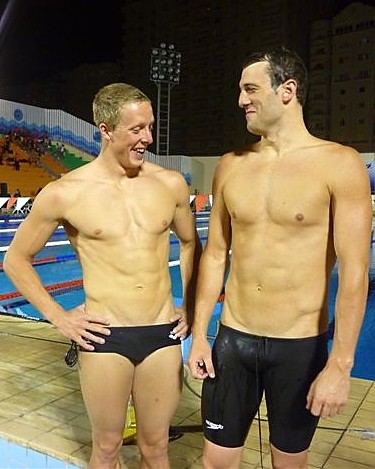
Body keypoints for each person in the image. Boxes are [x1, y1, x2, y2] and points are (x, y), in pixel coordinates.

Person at [188, 47, 372, 469]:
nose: (241, 100)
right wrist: (200, 334)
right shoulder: (230, 165)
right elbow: (215, 255)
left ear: (287, 91)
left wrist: (340, 367)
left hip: (299, 348)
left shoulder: (339, 164)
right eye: (240, 90)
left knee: (288, 464)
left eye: (250, 89)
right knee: (215, 461)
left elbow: (356, 273)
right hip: (233, 339)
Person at [4, 82, 201, 469]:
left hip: (162, 332)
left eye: (149, 126)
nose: (147, 138)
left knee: (157, 447)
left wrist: (190, 305)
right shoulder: (66, 193)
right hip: (106, 335)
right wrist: (58, 316)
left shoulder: (170, 184)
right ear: (105, 129)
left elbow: (193, 244)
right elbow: (16, 259)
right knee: (107, 448)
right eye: (136, 129)